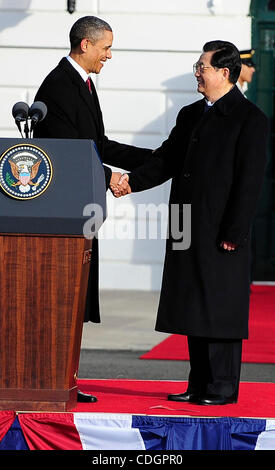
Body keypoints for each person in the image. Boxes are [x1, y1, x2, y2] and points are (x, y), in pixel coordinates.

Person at [115, 41, 268, 405]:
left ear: (224, 73)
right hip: (186, 224)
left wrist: (234, 231)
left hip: (220, 230)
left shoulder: (250, 119)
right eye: (197, 66)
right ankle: (198, 383)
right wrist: (130, 183)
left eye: (202, 67)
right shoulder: (190, 114)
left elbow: (250, 182)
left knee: (220, 306)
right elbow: (166, 161)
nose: (196, 72)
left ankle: (221, 387)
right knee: (192, 304)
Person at [33, 16, 152, 402]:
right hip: (63, 213)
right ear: (86, 44)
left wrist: (156, 160)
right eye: (106, 48)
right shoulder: (58, 86)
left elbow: (97, 143)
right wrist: (110, 176)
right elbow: (64, 153)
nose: (109, 55)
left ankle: (65, 379)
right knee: (63, 299)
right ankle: (54, 381)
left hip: (79, 210)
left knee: (75, 299)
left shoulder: (82, 83)